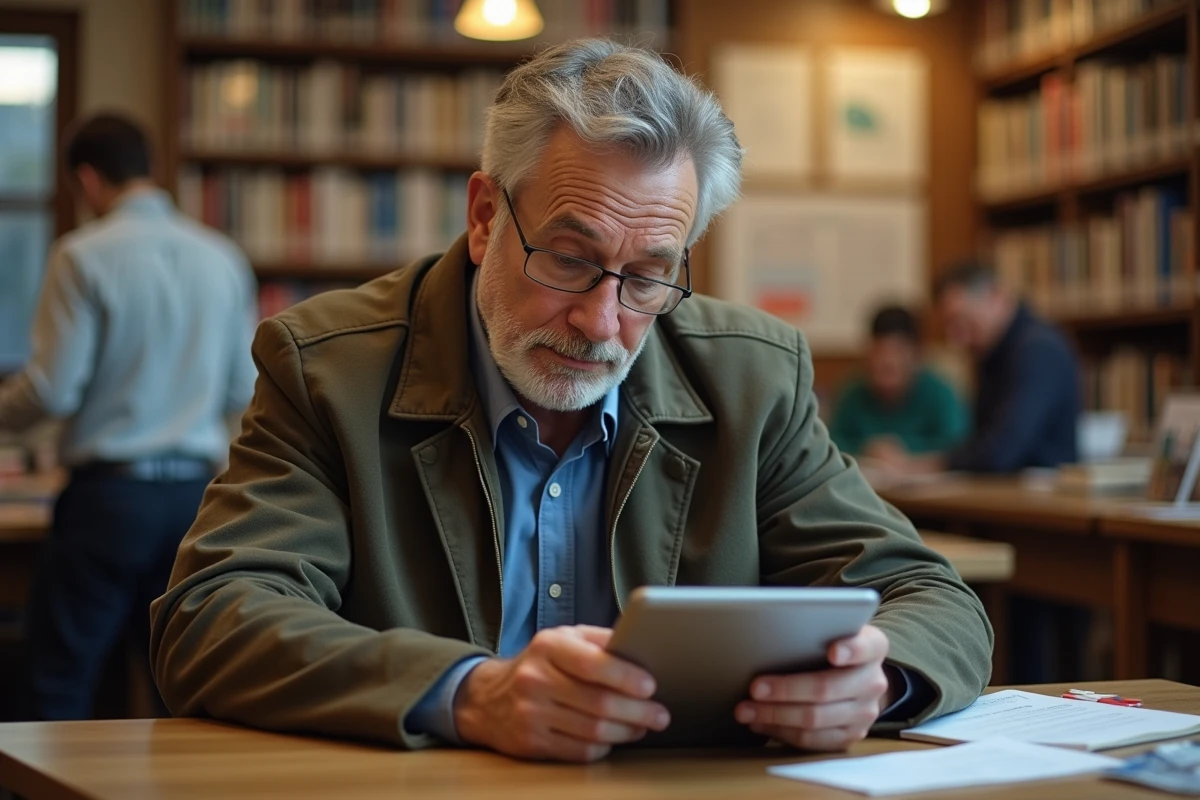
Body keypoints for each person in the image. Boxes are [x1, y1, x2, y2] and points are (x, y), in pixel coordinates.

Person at [150, 39, 992, 762]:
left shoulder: (753, 380)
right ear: (485, 217)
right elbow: (211, 616)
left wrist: (876, 679)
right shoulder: (328, 368)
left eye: (649, 276)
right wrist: (466, 693)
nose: (601, 321)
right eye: (567, 259)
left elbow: (934, 599)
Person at [0, 113, 258, 720]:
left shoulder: (81, 255)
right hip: (198, 500)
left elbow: (53, 391)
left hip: (109, 501)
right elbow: (241, 388)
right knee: (178, 688)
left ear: (87, 179)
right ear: (151, 168)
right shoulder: (222, 256)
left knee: (59, 685)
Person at [867, 261, 1080, 475]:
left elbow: (1001, 451)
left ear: (996, 296)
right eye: (949, 326)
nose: (956, 338)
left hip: (1037, 493)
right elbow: (977, 441)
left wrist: (915, 466)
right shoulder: (992, 353)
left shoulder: (1039, 350)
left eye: (962, 321)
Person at [829, 305, 968, 458]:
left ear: (917, 354)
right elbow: (831, 442)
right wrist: (866, 448)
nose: (887, 360)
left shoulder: (940, 394)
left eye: (898, 351)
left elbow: (957, 445)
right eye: (880, 350)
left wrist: (905, 450)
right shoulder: (852, 393)